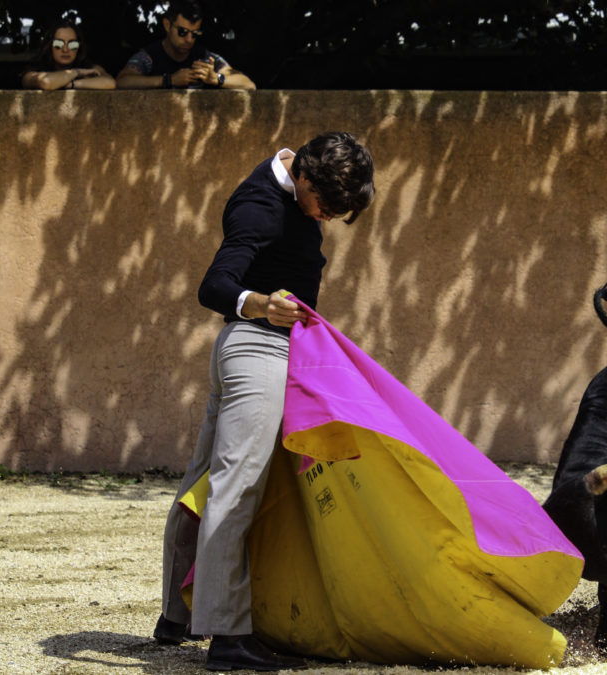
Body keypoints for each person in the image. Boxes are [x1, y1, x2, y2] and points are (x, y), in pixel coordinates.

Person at [155, 132, 374, 672]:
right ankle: (227, 637)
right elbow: (214, 286)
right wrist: (259, 303)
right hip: (258, 351)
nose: (326, 218)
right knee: (237, 485)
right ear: (301, 178)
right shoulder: (261, 209)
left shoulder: (300, 170)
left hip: (247, 352)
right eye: (325, 206)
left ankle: (176, 617)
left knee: (204, 482)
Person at [116, 1, 254, 90]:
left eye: (195, 33)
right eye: (183, 32)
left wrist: (217, 78)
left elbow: (248, 84)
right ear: (167, 25)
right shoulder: (149, 56)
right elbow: (122, 81)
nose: (189, 39)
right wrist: (168, 80)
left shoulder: (204, 57)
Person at [21, 21, 115, 90]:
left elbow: (110, 83)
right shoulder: (33, 72)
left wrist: (71, 84)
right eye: (59, 43)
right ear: (49, 46)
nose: (65, 49)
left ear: (79, 47)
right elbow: (46, 82)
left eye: (72, 44)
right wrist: (77, 72)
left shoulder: (89, 68)